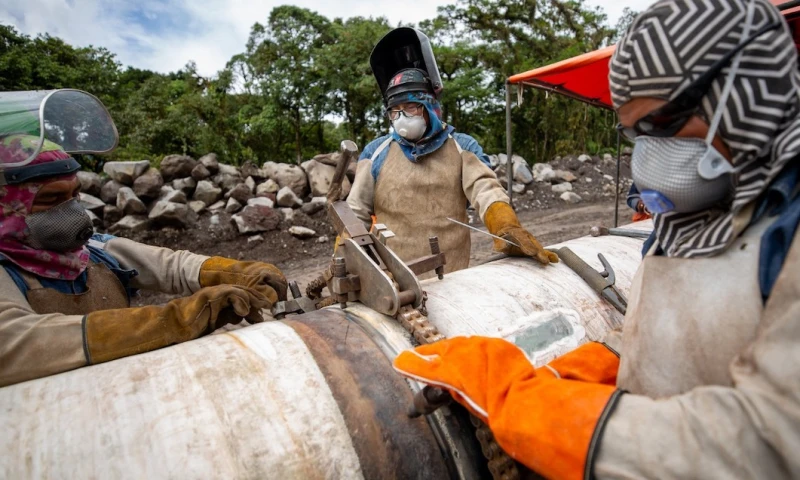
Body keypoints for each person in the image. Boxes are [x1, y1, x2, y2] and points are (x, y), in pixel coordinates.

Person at [392, 0, 800, 478]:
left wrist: (527, 406)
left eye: (662, 125)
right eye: (635, 134)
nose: (646, 160)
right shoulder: (686, 223)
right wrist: (572, 372)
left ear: (745, 97)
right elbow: (659, 333)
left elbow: (769, 445)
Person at [0, 135, 287, 387]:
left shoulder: (94, 250)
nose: (73, 210)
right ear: (7, 205)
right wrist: (174, 320)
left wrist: (236, 272)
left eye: (74, 195)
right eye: (52, 199)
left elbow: (170, 266)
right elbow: (17, 342)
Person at [347, 27, 557, 273]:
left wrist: (505, 226)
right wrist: (346, 256)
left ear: (429, 105)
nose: (402, 117)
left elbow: (486, 190)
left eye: (411, 107)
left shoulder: (462, 147)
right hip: (391, 281)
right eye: (395, 110)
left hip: (451, 278)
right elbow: (356, 213)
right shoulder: (376, 152)